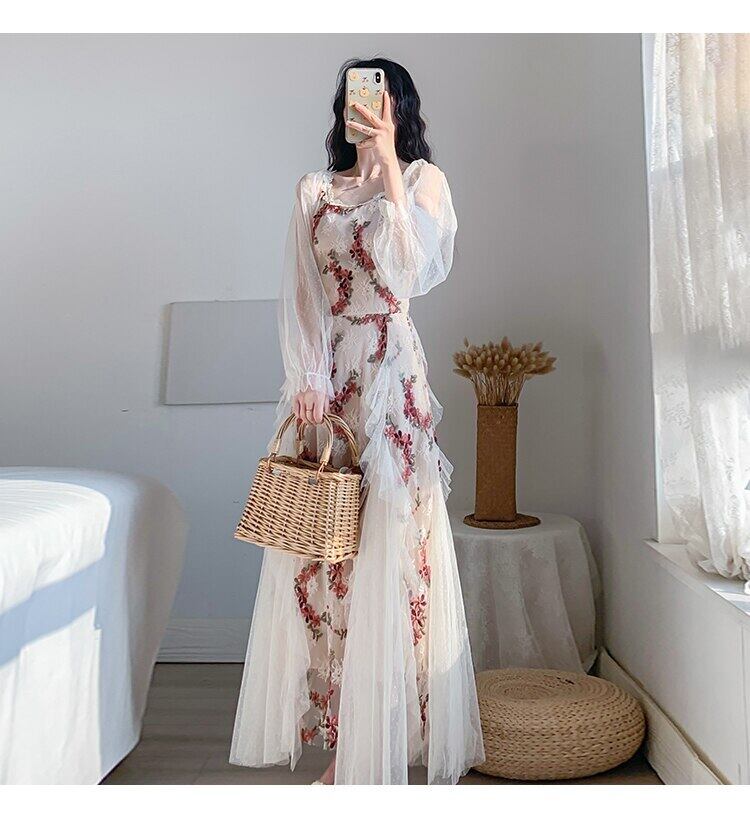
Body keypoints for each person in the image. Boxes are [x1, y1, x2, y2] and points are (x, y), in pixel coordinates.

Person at [230, 57, 484, 785]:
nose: (360, 106)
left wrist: (390, 166)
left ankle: (380, 740)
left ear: (397, 105)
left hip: (391, 378)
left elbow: (412, 272)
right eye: (351, 96)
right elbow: (302, 293)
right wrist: (306, 378)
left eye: (373, 96)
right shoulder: (315, 190)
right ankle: (347, 741)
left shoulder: (425, 182)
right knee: (325, 555)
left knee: (394, 550)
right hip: (330, 383)